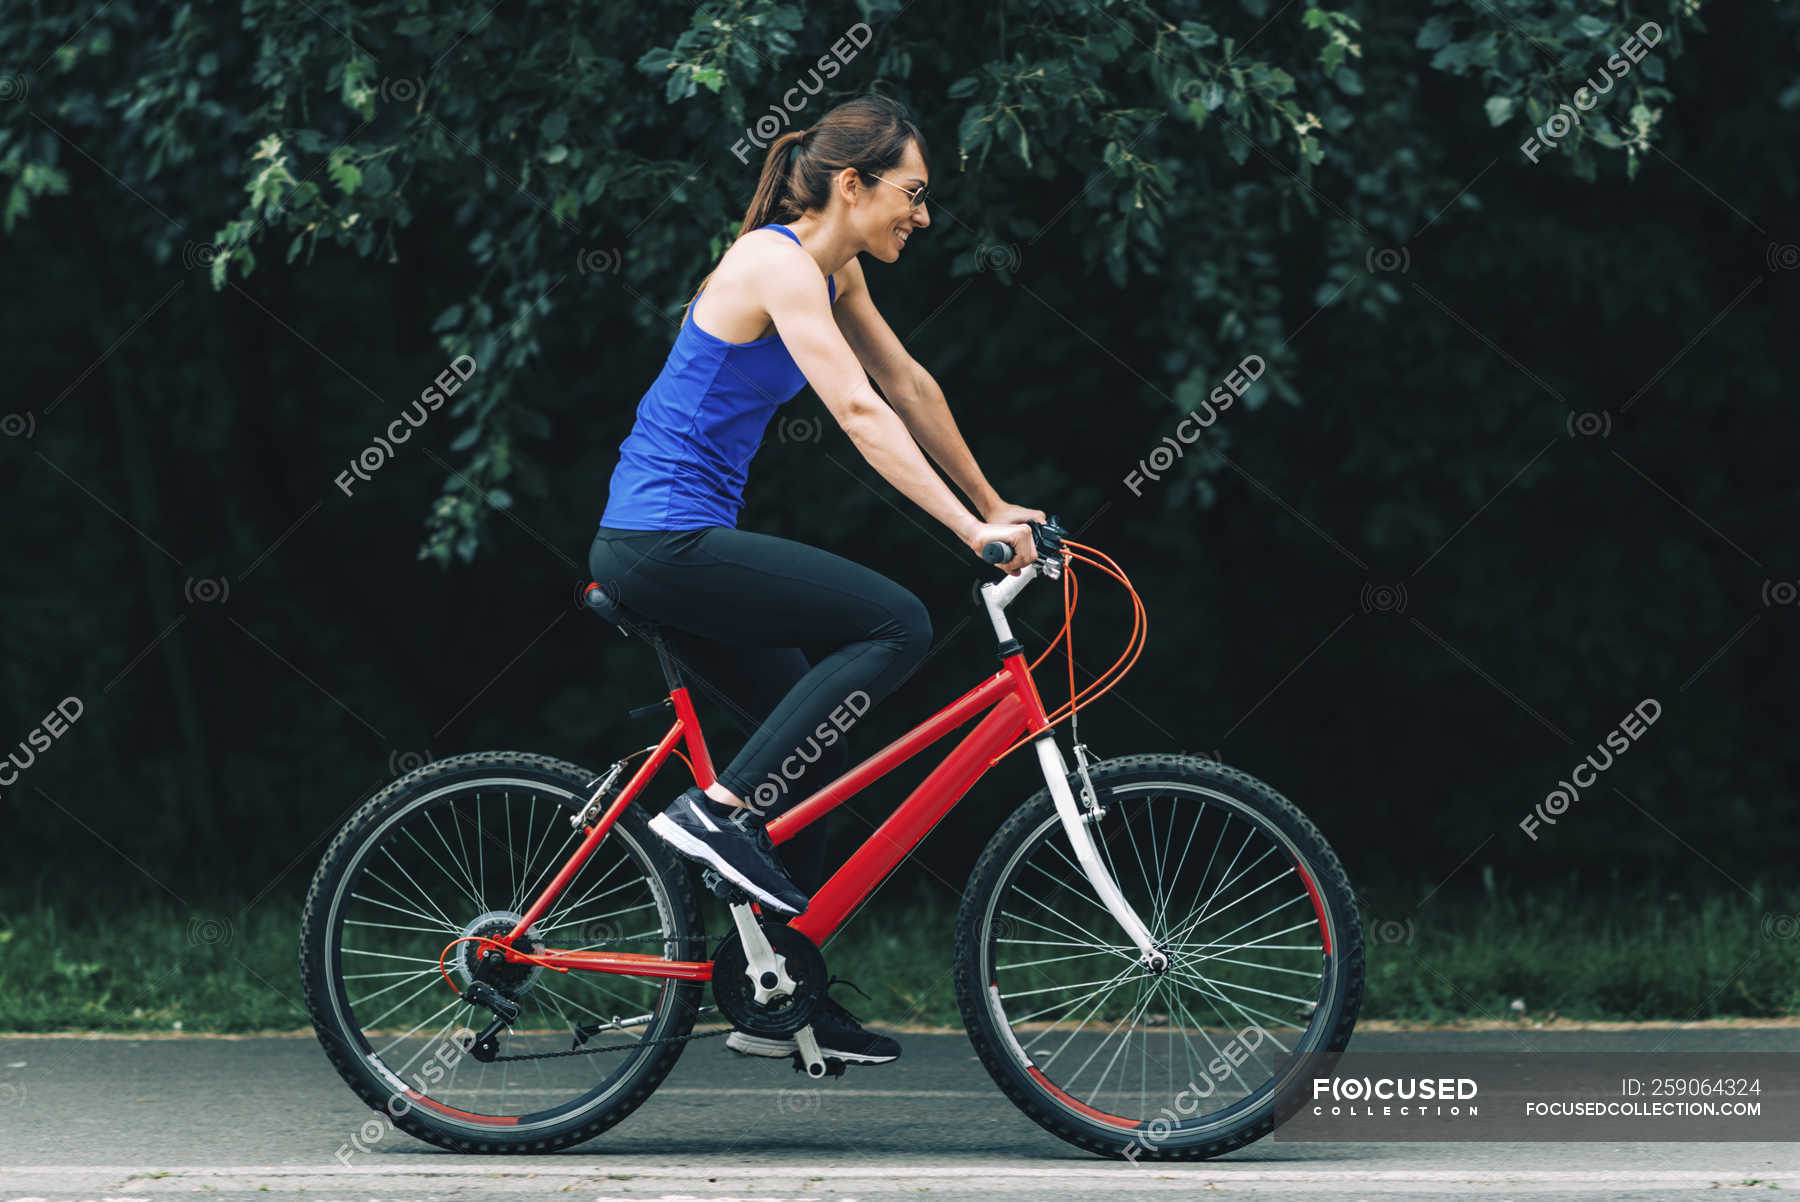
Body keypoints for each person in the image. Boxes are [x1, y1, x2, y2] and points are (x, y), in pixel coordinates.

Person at [587, 93, 1042, 1066]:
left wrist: (996, 505)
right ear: (852, 182)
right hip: (659, 540)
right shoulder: (774, 262)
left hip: (683, 541)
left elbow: (908, 386)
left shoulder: (831, 275)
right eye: (911, 194)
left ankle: (783, 991)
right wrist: (966, 532)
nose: (923, 216)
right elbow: (857, 409)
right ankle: (715, 814)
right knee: (896, 621)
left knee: (816, 766)